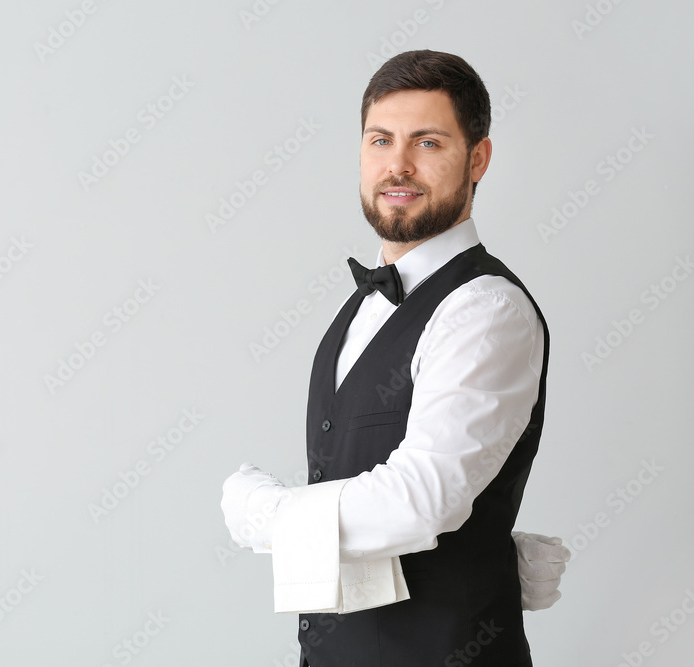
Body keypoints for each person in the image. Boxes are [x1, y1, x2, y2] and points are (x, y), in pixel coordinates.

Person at [220, 50, 569, 666]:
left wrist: (267, 514)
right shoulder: (362, 307)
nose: (398, 165)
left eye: (428, 142)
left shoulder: (486, 309)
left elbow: (422, 498)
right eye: (381, 140)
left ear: (478, 159)